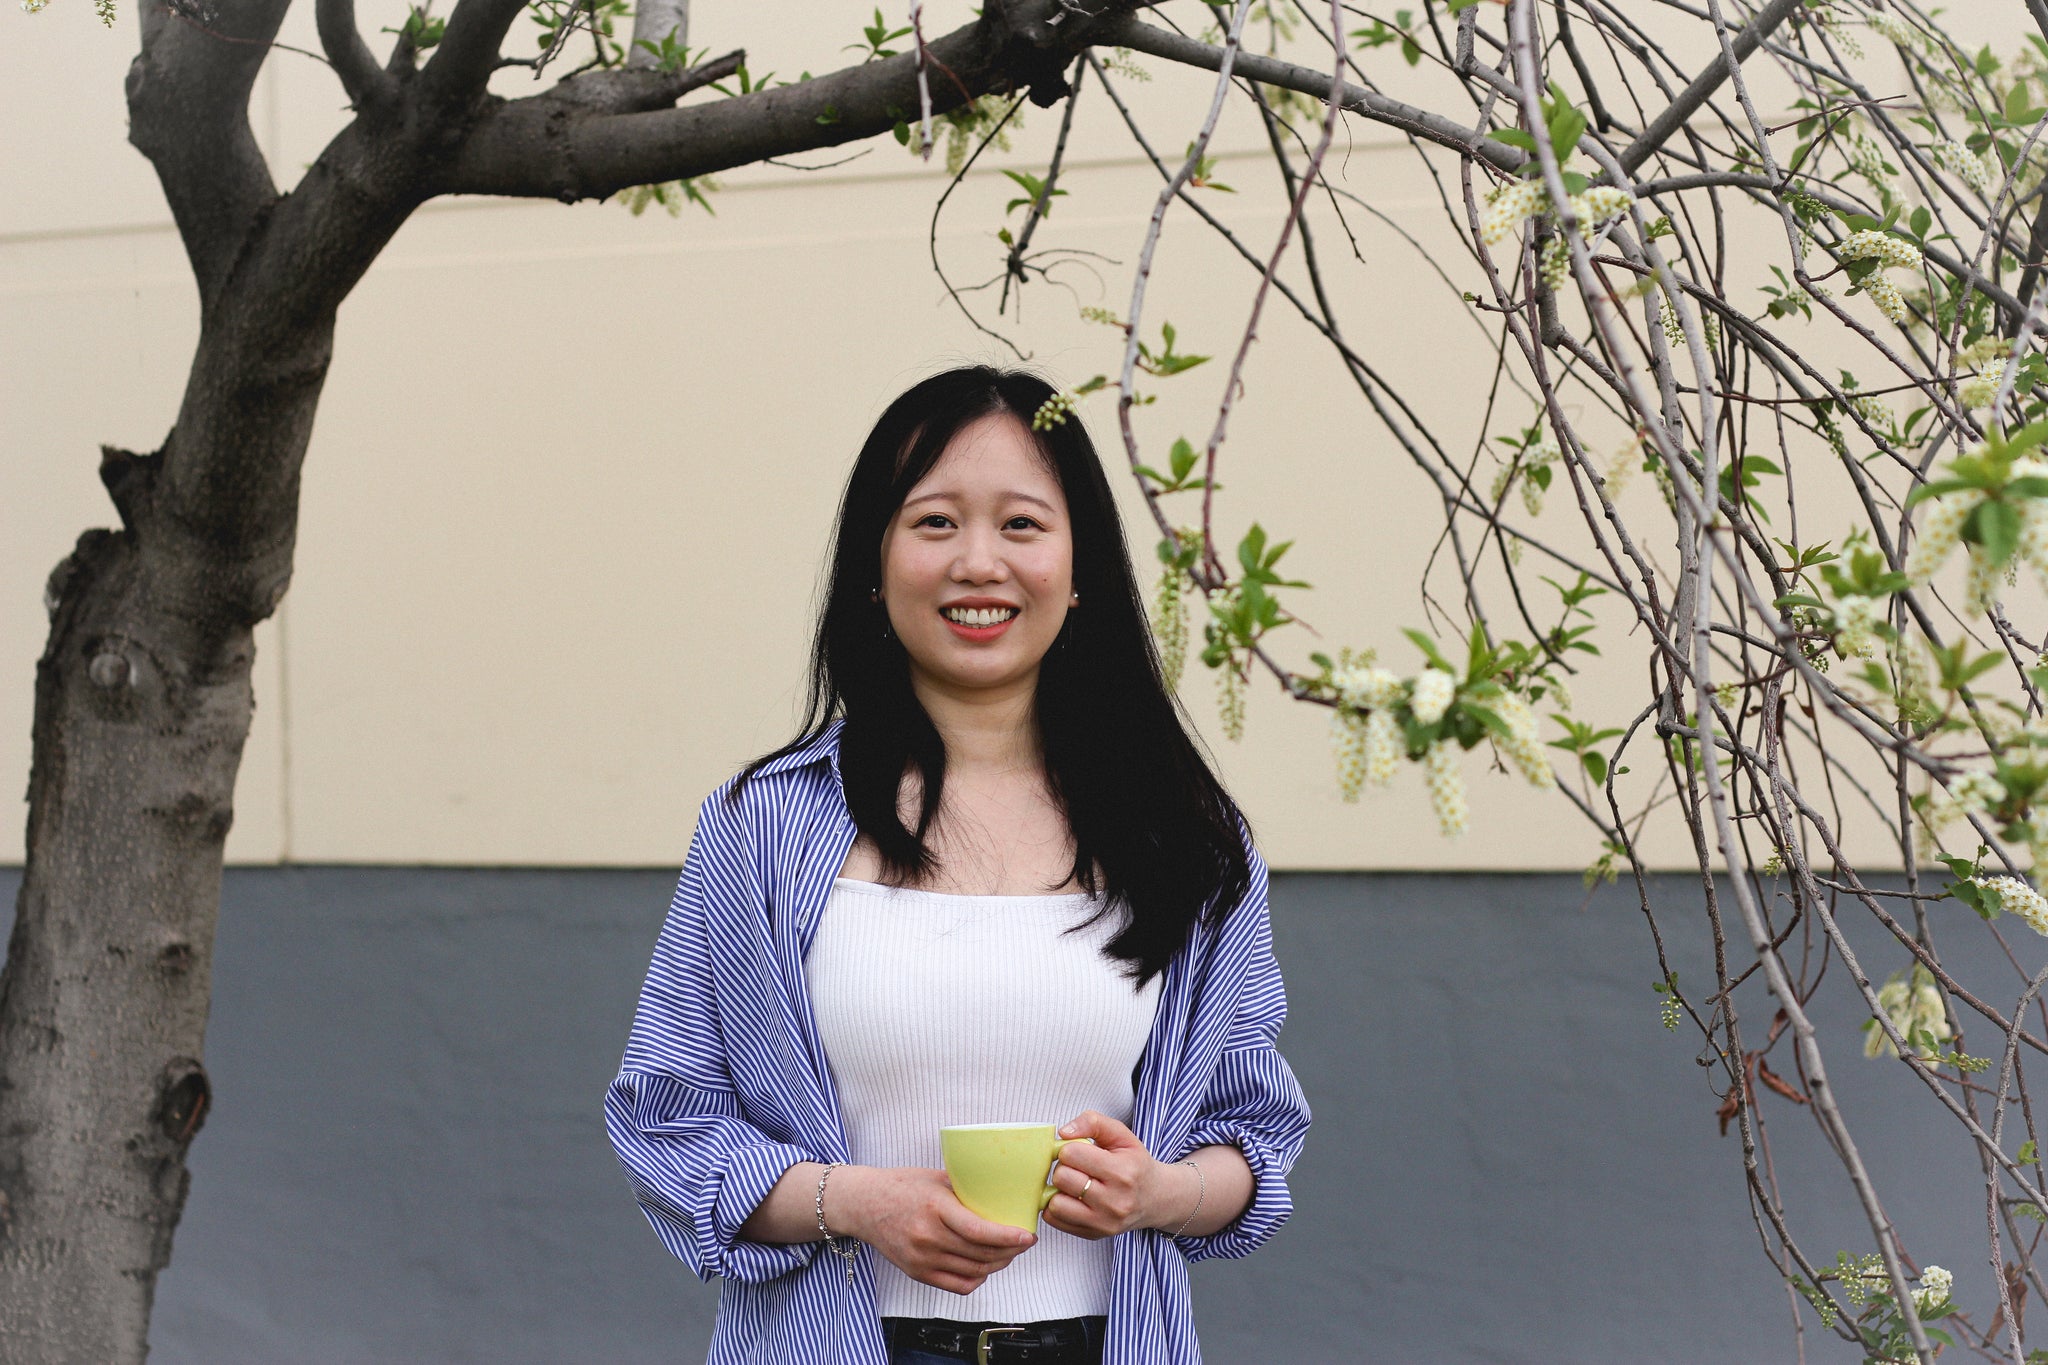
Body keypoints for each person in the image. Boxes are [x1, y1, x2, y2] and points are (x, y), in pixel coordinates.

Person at [604, 365, 1311, 1365]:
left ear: (1080, 574)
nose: (978, 562)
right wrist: (851, 1202)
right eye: (934, 522)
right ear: (873, 563)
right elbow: (665, 1120)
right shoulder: (763, 829)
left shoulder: (1187, 839)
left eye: (1020, 525)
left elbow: (1251, 1136)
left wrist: (1158, 1190)